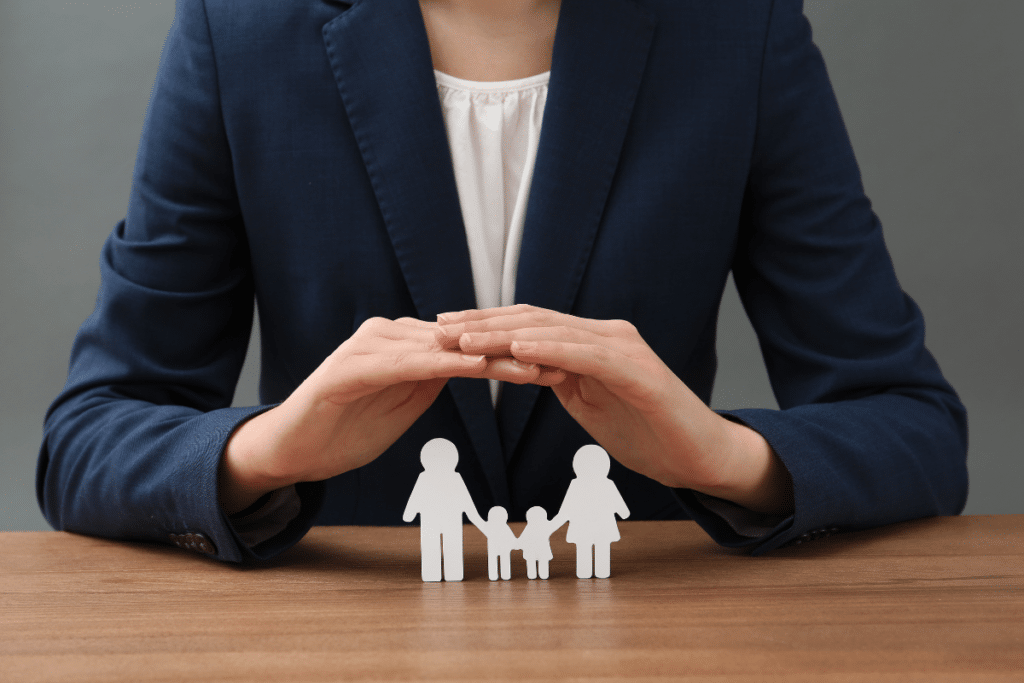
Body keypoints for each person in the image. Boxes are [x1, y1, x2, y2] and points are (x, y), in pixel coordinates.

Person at [37, 0, 968, 565]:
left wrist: (717, 456)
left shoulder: (739, 30)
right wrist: (275, 449)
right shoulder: (236, 32)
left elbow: (916, 430)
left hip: (651, 635)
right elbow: (86, 441)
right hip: (339, 643)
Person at [402, 438, 486, 582]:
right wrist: (476, 519)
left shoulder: (449, 478)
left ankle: (449, 573)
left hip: (445, 520)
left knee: (450, 545)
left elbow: (466, 501)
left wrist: (409, 514)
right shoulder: (427, 478)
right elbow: (467, 503)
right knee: (433, 546)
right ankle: (434, 573)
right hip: (438, 521)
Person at [551, 445, 630, 579]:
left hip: (584, 526)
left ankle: (589, 571)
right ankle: (597, 571)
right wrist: (623, 513)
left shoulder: (579, 485)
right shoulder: (605, 484)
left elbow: (565, 510)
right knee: (596, 547)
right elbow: (622, 510)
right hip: (600, 525)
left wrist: (554, 524)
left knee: (589, 547)